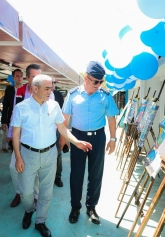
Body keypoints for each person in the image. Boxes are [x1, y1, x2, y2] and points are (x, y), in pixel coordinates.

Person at [11, 74, 92, 237]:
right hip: (28, 154)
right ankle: (29, 211)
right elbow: (16, 133)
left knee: (46, 192)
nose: (51, 91)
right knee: (26, 192)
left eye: (52, 87)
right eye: (47, 88)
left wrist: (76, 142)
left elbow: (62, 128)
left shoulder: (54, 106)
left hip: (49, 154)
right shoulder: (22, 107)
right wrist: (18, 157)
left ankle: (40, 221)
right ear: (35, 88)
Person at [60, 61, 118, 225]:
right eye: (95, 81)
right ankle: (75, 207)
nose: (99, 85)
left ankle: (91, 207)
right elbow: (65, 120)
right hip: (78, 137)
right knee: (76, 174)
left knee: (96, 174)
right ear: (86, 78)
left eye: (101, 82)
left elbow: (111, 119)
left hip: (98, 138)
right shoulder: (72, 95)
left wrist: (113, 139)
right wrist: (64, 140)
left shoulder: (105, 96)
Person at [7, 64, 43, 208]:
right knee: (13, 166)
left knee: (34, 169)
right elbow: (15, 114)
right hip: (20, 136)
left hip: (36, 138)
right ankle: (19, 192)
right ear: (27, 77)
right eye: (34, 76)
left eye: (39, 76)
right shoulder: (20, 91)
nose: (37, 80)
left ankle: (34, 195)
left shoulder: (46, 90)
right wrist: (10, 134)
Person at [1, 69, 24, 152]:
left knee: (23, 143)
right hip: (11, 119)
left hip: (24, 121)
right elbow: (5, 106)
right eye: (17, 76)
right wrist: (3, 121)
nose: (19, 78)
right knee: (13, 143)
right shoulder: (9, 90)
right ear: (13, 77)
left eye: (21, 75)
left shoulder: (26, 90)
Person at [51, 76, 65, 187]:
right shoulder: (39, 94)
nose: (52, 84)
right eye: (50, 82)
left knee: (58, 154)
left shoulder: (58, 95)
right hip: (44, 131)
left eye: (53, 82)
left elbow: (63, 114)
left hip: (56, 130)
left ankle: (57, 177)